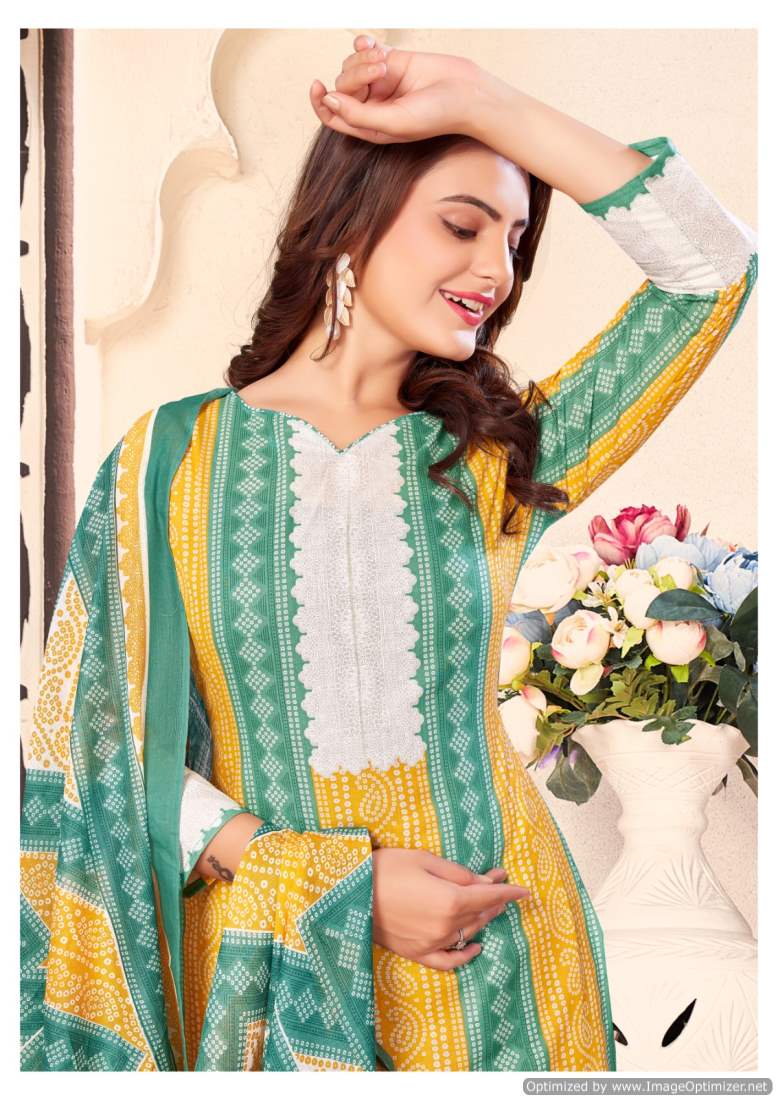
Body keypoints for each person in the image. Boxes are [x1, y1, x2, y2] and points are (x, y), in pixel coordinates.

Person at [20, 35, 757, 1073]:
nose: (496, 271)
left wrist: (488, 102)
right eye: (462, 225)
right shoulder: (168, 461)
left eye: (516, 241)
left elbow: (713, 273)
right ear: (349, 221)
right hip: (271, 983)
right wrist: (338, 885)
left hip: (504, 960)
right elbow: (86, 742)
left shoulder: (499, 455)